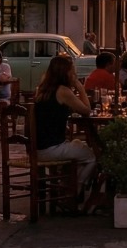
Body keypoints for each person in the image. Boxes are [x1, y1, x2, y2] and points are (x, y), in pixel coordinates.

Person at [32, 53, 97, 210]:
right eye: (72, 71)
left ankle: (65, 186)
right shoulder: (63, 91)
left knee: (76, 145)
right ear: (65, 73)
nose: (74, 74)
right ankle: (73, 192)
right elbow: (86, 110)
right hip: (52, 148)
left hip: (38, 148)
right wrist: (80, 87)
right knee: (92, 157)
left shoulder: (42, 90)